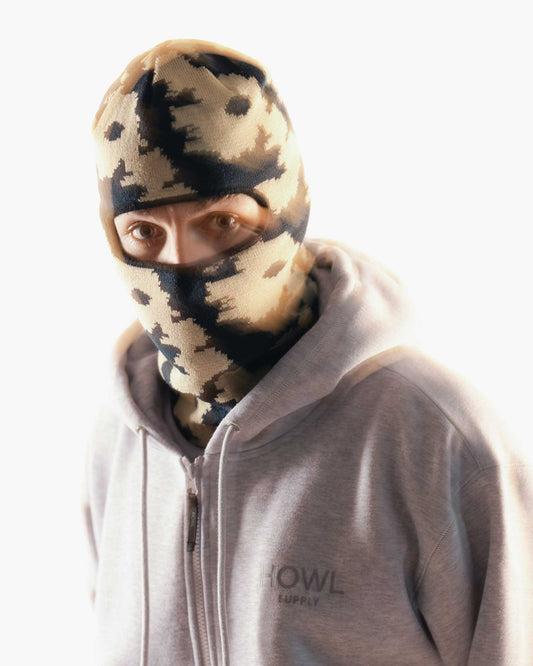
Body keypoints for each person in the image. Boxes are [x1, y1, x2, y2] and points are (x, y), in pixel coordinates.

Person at [82, 38, 533, 666]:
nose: (179, 269)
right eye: (144, 233)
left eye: (221, 223)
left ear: (287, 211)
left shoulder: (438, 441)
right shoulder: (124, 439)